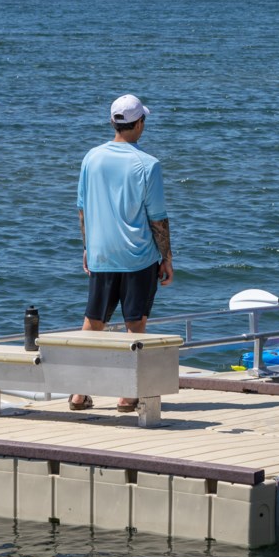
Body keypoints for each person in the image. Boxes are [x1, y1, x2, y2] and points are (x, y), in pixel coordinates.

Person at [70, 94, 174, 412]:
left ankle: (78, 392)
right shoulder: (148, 164)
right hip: (138, 257)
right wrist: (166, 257)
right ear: (139, 123)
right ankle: (127, 395)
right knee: (135, 324)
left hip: (101, 253)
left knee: (93, 323)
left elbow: (83, 210)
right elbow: (157, 218)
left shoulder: (91, 158)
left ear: (113, 122)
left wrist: (88, 248)